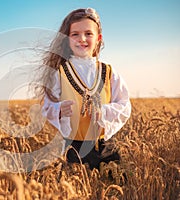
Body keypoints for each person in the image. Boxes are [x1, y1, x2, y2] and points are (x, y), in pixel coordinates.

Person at [39, 8, 131, 170]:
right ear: (67, 39)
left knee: (114, 185)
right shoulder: (60, 73)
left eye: (88, 33)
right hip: (76, 146)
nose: (82, 39)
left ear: (98, 38)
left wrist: (104, 112)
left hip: (106, 145)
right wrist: (59, 109)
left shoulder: (108, 71)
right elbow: (46, 106)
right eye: (75, 34)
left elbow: (124, 104)